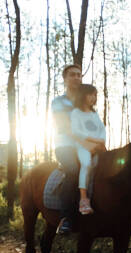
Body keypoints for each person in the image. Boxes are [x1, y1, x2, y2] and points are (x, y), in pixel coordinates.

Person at [51, 64, 83, 234]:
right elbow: (63, 125)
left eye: (79, 75)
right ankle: (65, 218)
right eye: (72, 75)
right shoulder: (58, 102)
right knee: (74, 170)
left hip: (85, 146)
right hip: (65, 146)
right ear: (65, 79)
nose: (77, 78)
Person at [71, 84, 106, 214]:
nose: (93, 97)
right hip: (83, 146)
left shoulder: (94, 114)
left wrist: (101, 141)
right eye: (90, 94)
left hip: (98, 146)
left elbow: (102, 129)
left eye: (95, 95)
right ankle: (83, 200)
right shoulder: (76, 113)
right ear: (82, 95)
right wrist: (95, 141)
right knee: (86, 164)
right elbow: (75, 131)